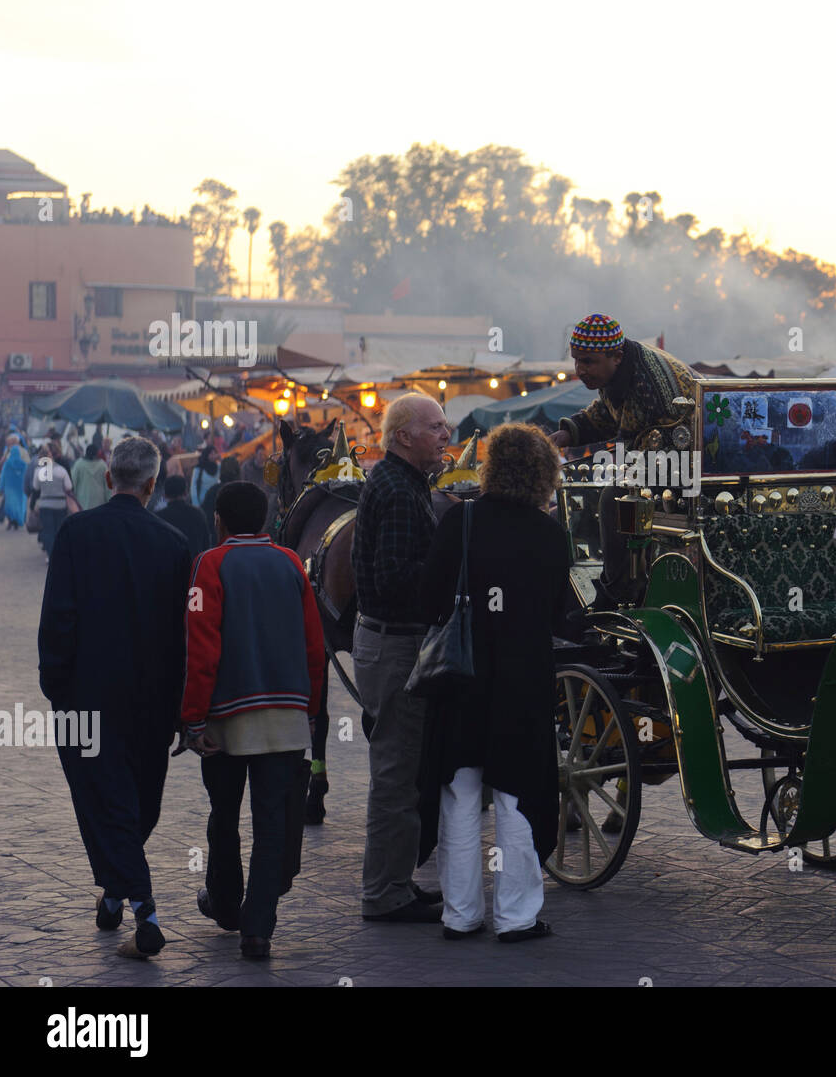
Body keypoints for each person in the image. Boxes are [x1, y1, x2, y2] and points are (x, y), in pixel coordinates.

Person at [37, 437, 191, 959]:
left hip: (88, 696)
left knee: (105, 802)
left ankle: (135, 906)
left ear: (109, 478)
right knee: (136, 803)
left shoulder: (77, 535)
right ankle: (127, 898)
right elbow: (182, 635)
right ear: (151, 486)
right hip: (152, 701)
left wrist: (56, 686)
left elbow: (59, 615)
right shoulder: (174, 545)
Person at [421, 424, 566, 941]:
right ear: (543, 475)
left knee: (459, 796)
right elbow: (562, 614)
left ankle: (460, 914)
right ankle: (516, 915)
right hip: (521, 682)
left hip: (461, 676)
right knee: (516, 796)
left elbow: (431, 598)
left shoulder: (459, 522)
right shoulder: (550, 534)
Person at [181, 482, 326, 959]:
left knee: (224, 816)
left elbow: (201, 648)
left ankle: (225, 903)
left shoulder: (210, 564)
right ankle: (258, 927)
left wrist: (192, 717)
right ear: (264, 519)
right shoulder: (290, 563)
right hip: (285, 715)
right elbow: (314, 646)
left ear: (219, 519)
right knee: (272, 826)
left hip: (227, 716)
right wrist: (311, 710)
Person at [351, 393, 452, 922]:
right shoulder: (394, 489)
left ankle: (394, 881)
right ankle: (383, 893)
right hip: (396, 645)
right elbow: (393, 577)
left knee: (403, 768)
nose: (446, 433)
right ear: (404, 435)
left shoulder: (405, 482)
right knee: (395, 772)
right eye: (435, 426)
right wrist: (449, 570)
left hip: (390, 641)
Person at [548, 314, 697, 608]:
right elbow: (604, 414)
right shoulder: (621, 371)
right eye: (576, 360)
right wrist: (566, 434)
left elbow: (642, 455)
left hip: (691, 467)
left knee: (614, 498)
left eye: (588, 361)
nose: (579, 370)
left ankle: (620, 594)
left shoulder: (649, 387)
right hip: (662, 457)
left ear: (615, 356)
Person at [29, 445, 76, 561]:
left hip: (45, 505)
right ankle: (60, 555)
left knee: (48, 531)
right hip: (60, 505)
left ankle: (51, 555)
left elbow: (35, 490)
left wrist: (32, 506)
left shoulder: (38, 471)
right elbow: (69, 487)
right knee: (59, 531)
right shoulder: (61, 470)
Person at [158, 474, 211, 555]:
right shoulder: (198, 514)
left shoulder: (159, 518)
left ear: (165, 495)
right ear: (186, 492)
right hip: (194, 564)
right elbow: (206, 544)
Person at [200, 455, 241, 539]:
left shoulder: (213, 491)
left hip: (218, 541)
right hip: (242, 542)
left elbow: (207, 518)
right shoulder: (245, 491)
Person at [0, 433, 28, 529]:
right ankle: (14, 521)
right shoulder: (9, 451)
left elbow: (2, 466)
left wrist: (1, 485)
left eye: (8, 442)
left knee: (10, 502)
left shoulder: (20, 452)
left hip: (10, 484)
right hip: (19, 484)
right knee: (17, 502)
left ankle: (12, 521)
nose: (7, 444)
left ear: (14, 442)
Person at [71, 443, 109, 510]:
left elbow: (73, 483)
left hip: (82, 500)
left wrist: (73, 500)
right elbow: (107, 485)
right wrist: (109, 500)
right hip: (100, 500)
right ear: (97, 453)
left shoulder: (79, 464)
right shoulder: (103, 465)